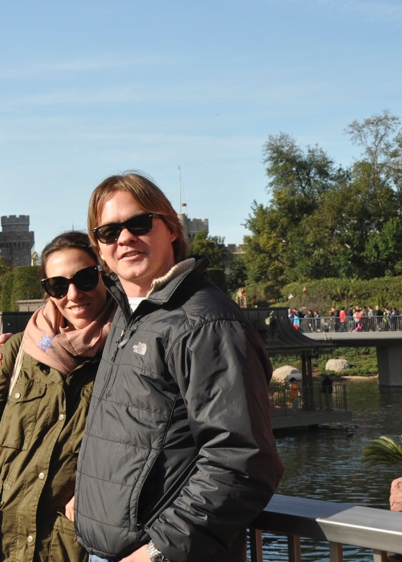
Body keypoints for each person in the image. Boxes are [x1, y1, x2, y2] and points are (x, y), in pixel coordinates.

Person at [74, 172, 282, 562]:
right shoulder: (131, 314)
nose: (124, 238)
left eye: (139, 223)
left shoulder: (205, 323)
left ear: (171, 228)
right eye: (109, 232)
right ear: (99, 248)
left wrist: (159, 550)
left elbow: (242, 459)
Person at [0, 231, 116, 562]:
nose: (73, 294)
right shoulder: (19, 349)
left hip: (68, 546)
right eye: (58, 285)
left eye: (85, 278)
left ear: (104, 275)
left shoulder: (129, 350)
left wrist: (98, 495)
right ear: (47, 292)